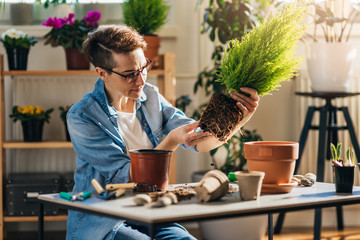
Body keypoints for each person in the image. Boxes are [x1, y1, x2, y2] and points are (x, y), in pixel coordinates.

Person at [66, 25, 260, 240]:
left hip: (147, 211)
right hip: (104, 219)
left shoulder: (150, 96)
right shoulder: (82, 116)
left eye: (143, 68)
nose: (141, 80)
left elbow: (200, 141)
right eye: (129, 75)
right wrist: (172, 140)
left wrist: (242, 118)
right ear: (102, 73)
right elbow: (135, 179)